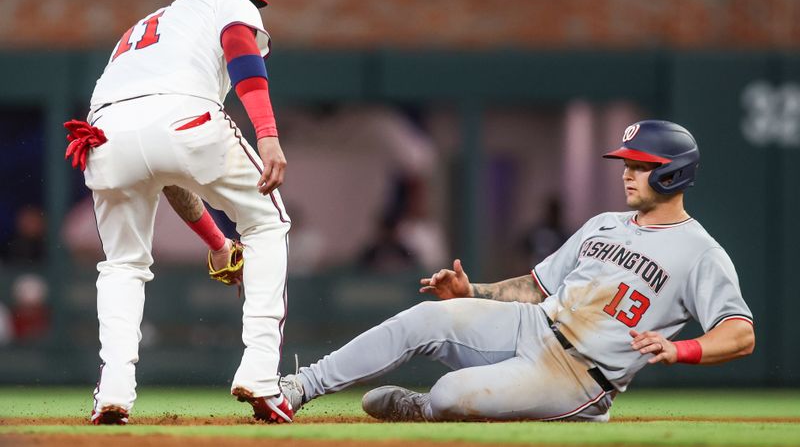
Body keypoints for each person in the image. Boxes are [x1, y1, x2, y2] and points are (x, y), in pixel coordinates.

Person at [277, 120, 754, 422]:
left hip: (579, 375)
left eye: (639, 165)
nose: (626, 173)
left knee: (448, 396)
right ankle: (298, 388)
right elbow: (536, 286)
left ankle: (422, 409)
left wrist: (682, 347)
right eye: (626, 163)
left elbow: (739, 333)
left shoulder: (699, 251)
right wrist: (474, 290)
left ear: (673, 172)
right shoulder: (604, 224)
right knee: (422, 319)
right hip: (534, 325)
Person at [64, 0, 293, 425]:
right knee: (268, 222)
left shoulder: (141, 30)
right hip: (185, 117)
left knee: (123, 264)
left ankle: (114, 390)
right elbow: (241, 48)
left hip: (105, 135)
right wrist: (267, 135)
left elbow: (161, 167)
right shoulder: (225, 3)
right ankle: (261, 374)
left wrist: (217, 244)